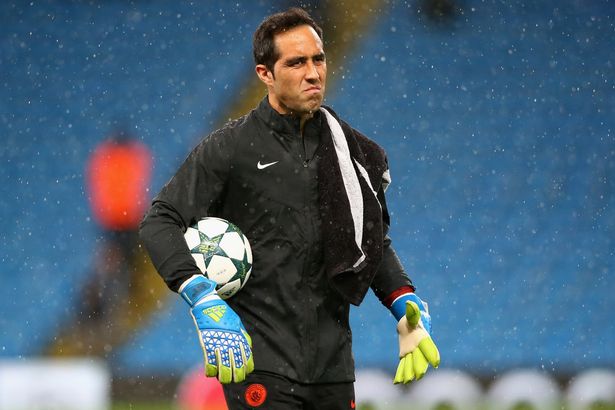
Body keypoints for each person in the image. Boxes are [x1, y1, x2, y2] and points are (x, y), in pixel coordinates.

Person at [140, 7, 440, 409]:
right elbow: (160, 221)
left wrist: (403, 301)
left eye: (319, 59)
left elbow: (369, 240)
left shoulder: (349, 150)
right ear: (265, 74)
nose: (313, 73)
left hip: (334, 371)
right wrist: (202, 296)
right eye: (296, 62)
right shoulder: (233, 147)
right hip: (262, 368)